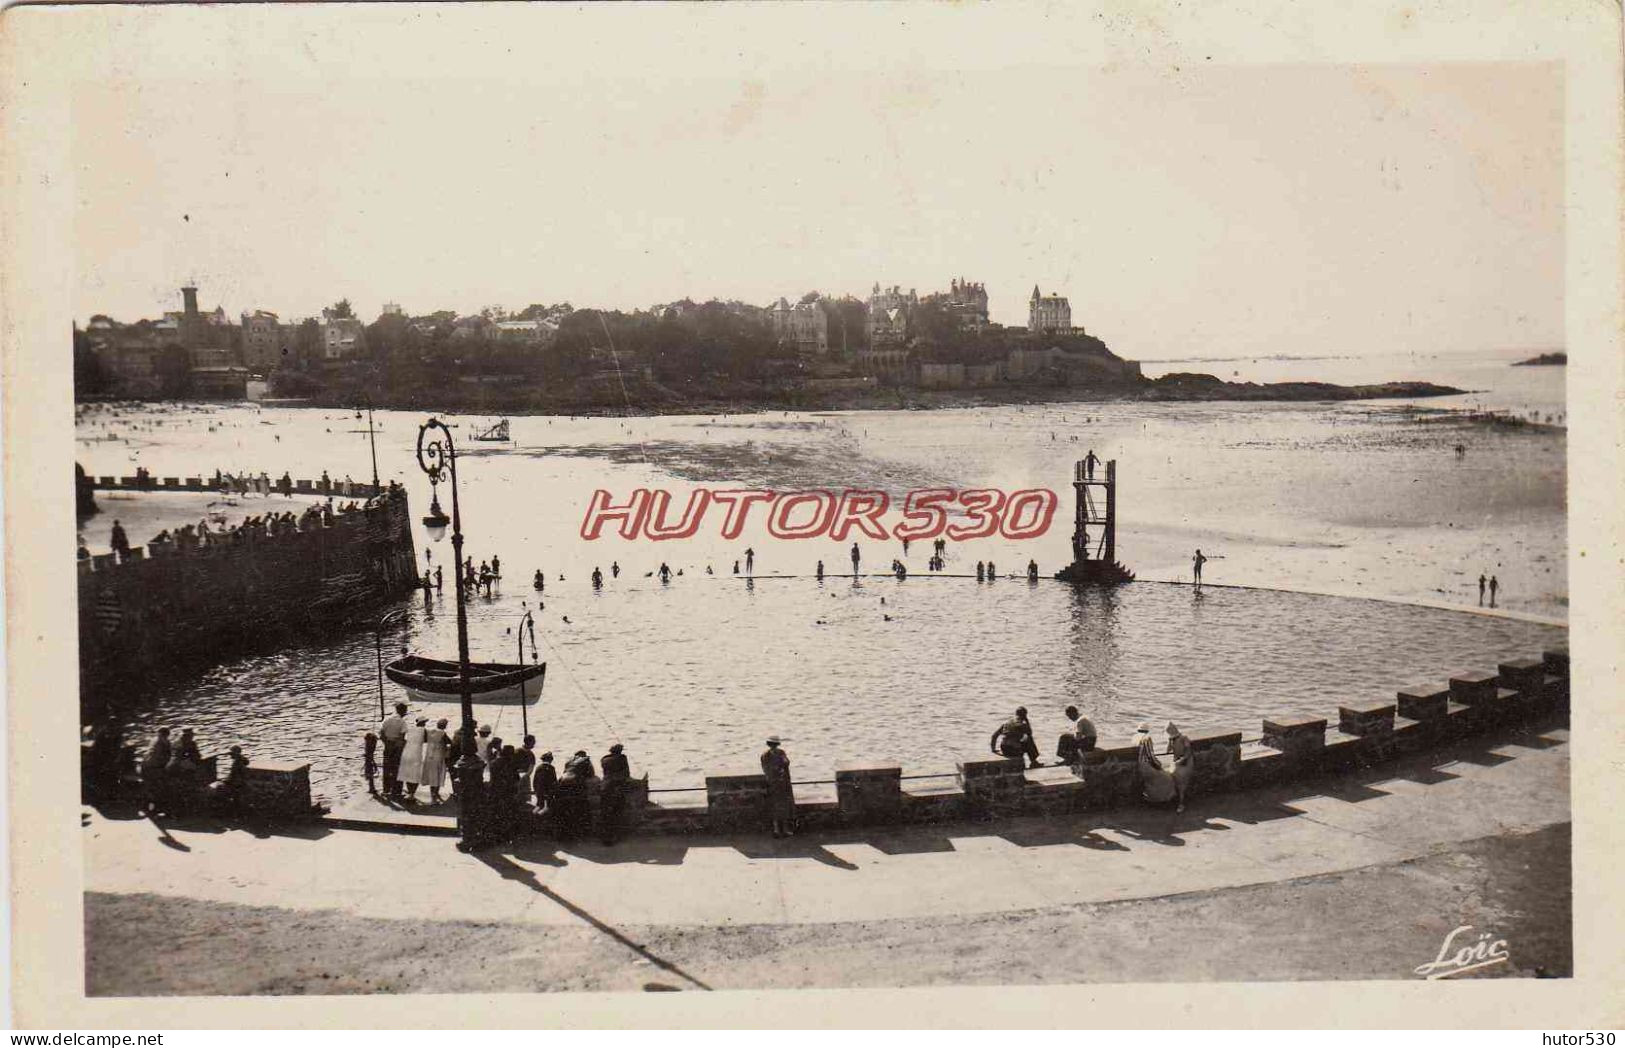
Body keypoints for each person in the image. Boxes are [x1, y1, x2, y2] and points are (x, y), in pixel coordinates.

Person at [761, 736, 795, 838]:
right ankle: (777, 829)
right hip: (775, 783)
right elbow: (767, 769)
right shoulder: (767, 755)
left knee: (783, 807)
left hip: (781, 783)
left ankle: (783, 829)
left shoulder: (780, 753)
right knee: (776, 807)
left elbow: (786, 763)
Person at [1135, 723, 1176, 804]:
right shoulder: (1147, 739)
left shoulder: (1135, 738)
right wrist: (1159, 765)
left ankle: (1153, 797)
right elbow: (1150, 757)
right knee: (1167, 777)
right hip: (1146, 766)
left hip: (1140, 766)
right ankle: (1162, 799)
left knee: (1155, 780)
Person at [599, 743, 631, 844]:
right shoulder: (622, 758)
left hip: (605, 787)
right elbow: (626, 774)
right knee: (617, 813)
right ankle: (614, 836)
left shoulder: (604, 759)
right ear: (620, 751)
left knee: (606, 814)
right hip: (616, 788)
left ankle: (605, 837)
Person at [141, 727, 173, 813]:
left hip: (151, 766)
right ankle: (155, 807)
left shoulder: (158, 740)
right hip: (151, 768)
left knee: (156, 786)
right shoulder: (160, 743)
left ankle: (153, 805)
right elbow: (159, 758)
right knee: (158, 785)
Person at [211, 745, 250, 816]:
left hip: (237, 784)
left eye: (232, 753)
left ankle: (223, 810)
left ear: (236, 753)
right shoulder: (241, 760)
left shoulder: (237, 763)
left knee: (219, 788)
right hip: (239, 783)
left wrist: (225, 781)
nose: (230, 755)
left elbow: (234, 775)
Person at [380, 703, 408, 799]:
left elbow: (381, 734)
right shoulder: (402, 722)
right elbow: (401, 737)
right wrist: (398, 746)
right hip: (397, 747)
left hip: (388, 745)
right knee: (397, 768)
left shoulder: (387, 719)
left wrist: (387, 743)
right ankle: (396, 791)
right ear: (403, 711)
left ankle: (386, 789)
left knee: (387, 767)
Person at [1167, 722, 1195, 813]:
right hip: (1177, 763)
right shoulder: (1172, 740)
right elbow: (1168, 751)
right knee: (1172, 777)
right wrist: (1169, 741)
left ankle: (1181, 803)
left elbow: (1188, 752)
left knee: (1181, 782)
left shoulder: (1184, 738)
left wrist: (1181, 760)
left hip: (1186, 763)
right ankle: (1177, 799)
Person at [398, 716, 427, 801]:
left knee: (408, 773)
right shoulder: (424, 730)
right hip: (416, 753)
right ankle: (412, 793)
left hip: (407, 751)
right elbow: (425, 740)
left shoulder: (410, 729)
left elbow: (405, 739)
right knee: (415, 773)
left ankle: (409, 791)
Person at [422, 719, 449, 803]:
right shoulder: (443, 733)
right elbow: (449, 742)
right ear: (444, 726)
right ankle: (435, 795)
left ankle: (434, 794)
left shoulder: (430, 731)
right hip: (438, 756)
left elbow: (425, 740)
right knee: (438, 776)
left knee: (432, 776)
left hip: (429, 756)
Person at [514, 735, 538, 805]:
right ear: (530, 742)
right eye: (533, 742)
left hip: (516, 775)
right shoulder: (530, 754)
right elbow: (530, 770)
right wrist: (524, 777)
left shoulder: (516, 751)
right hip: (524, 777)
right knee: (525, 797)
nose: (534, 744)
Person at [533, 751, 557, 816]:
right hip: (548, 791)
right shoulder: (551, 768)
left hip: (539, 790)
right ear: (550, 760)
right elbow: (554, 781)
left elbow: (535, 780)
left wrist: (536, 790)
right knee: (548, 806)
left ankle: (534, 815)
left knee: (539, 805)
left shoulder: (538, 767)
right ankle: (540, 817)